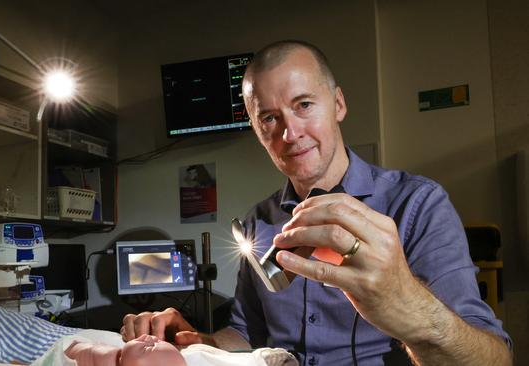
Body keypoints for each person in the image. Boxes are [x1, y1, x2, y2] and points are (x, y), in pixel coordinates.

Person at [121, 40, 513, 365]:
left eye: (304, 105)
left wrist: (406, 305)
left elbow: (494, 358)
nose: (290, 133)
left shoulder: (417, 204)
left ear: (338, 104)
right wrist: (193, 340)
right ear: (257, 130)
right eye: (270, 118)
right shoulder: (260, 220)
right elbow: (246, 335)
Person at [65, 334, 186, 366]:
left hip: (65, 356)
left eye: (148, 347)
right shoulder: (122, 357)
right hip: (73, 344)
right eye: (157, 340)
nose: (150, 337)